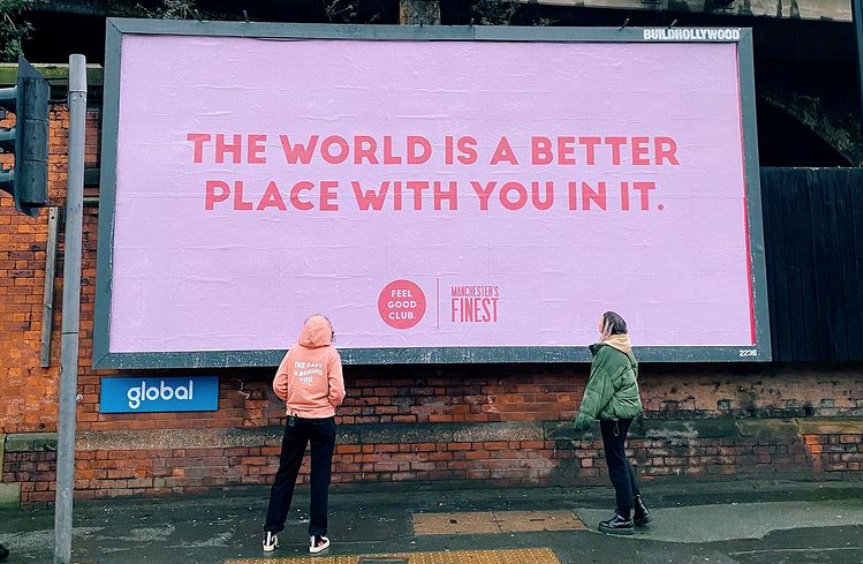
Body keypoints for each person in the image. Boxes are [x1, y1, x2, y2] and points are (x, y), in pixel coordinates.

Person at [263, 314, 346, 554]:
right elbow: (338, 392)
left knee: (285, 475)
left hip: (295, 420)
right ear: (328, 332)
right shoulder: (331, 354)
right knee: (319, 479)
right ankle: (317, 538)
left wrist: (294, 401)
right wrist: (327, 403)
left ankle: (271, 533)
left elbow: (278, 384)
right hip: (322, 421)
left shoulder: (294, 352)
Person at [573, 311, 651, 535]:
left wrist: (584, 417)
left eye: (600, 321)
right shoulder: (625, 348)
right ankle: (639, 509)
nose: (597, 324)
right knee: (621, 459)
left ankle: (623, 516)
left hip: (615, 416)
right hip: (625, 413)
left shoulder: (608, 351)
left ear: (607, 327)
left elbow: (598, 387)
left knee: (616, 463)